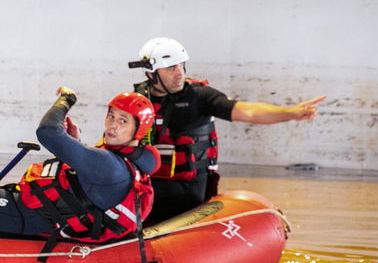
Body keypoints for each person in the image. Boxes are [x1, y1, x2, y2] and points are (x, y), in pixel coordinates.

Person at [0, 89, 158, 244]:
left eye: (123, 121)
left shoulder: (110, 165)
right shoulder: (125, 163)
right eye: (111, 116)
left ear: (139, 130)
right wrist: (76, 143)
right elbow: (84, 187)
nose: (112, 125)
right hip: (27, 209)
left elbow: (47, 132)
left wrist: (66, 99)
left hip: (21, 214)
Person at [130, 37, 326, 222]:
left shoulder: (200, 97)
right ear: (151, 73)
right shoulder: (138, 100)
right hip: (152, 184)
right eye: (171, 68)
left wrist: (290, 113)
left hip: (189, 189)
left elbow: (248, 112)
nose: (179, 73)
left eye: (181, 66)